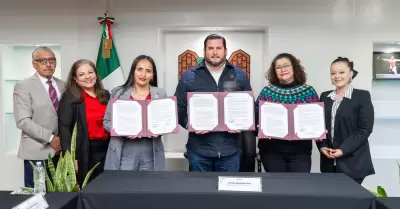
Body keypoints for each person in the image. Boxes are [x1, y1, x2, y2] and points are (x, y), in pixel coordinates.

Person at [175, 34, 252, 172]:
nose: (215, 52)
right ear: (204, 51)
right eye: (210, 48)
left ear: (225, 51)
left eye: (219, 48)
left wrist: (242, 124)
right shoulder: (189, 76)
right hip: (199, 151)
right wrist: (189, 123)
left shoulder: (240, 75)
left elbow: (249, 107)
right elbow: (178, 108)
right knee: (201, 191)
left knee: (228, 193)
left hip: (230, 151)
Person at [255, 53, 320, 173]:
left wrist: (318, 130)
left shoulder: (308, 92)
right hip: (271, 151)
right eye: (278, 67)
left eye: (286, 65)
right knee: (276, 188)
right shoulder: (267, 92)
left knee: (298, 188)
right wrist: (260, 129)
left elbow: (316, 119)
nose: (282, 69)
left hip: (300, 152)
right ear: (274, 71)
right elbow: (255, 118)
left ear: (294, 67)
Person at [103, 55, 167, 171]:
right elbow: (107, 122)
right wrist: (123, 130)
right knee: (124, 187)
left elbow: (166, 123)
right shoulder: (118, 93)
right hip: (124, 152)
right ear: (133, 71)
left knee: (149, 188)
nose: (143, 74)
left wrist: (161, 130)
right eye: (140, 69)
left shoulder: (160, 94)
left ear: (152, 75)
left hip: (150, 154)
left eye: (148, 71)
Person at [317, 57, 375, 184]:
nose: (337, 76)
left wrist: (343, 150)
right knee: (331, 202)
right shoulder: (324, 97)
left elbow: (365, 129)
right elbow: (318, 126)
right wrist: (322, 146)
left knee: (349, 202)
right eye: (333, 73)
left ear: (351, 74)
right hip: (328, 163)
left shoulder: (362, 96)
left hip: (353, 163)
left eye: (341, 72)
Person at [13, 46, 65, 187]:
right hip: (37, 151)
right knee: (36, 198)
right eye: (43, 61)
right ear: (34, 64)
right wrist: (50, 138)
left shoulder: (63, 85)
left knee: (58, 197)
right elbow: (23, 121)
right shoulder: (23, 86)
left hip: (60, 151)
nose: (48, 64)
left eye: (52, 60)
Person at [58, 59, 110, 186]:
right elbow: (64, 129)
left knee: (107, 188)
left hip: (108, 151)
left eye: (90, 72)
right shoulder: (69, 97)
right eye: (81, 74)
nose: (87, 77)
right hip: (84, 152)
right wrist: (71, 159)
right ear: (75, 79)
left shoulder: (106, 95)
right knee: (89, 190)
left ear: (96, 74)